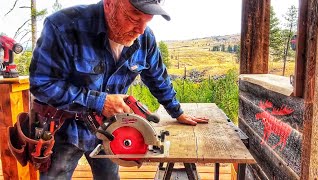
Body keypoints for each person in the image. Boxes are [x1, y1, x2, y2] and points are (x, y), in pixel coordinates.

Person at [29, 0, 209, 179]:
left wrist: (177, 111)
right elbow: (41, 83)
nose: (140, 30)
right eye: (133, 17)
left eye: (148, 20)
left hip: (111, 130)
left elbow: (158, 79)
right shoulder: (63, 26)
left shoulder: (145, 38)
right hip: (63, 128)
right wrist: (99, 101)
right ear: (109, 3)